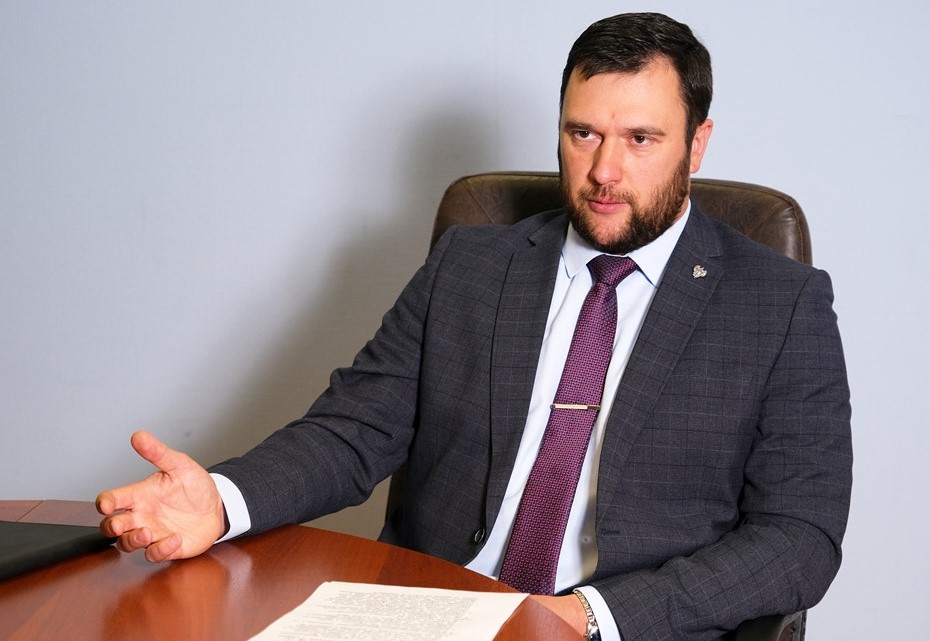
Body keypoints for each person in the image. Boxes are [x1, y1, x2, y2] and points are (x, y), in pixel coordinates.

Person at [97, 12, 852, 641]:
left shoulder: (780, 305)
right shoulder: (470, 264)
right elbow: (352, 431)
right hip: (433, 611)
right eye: (583, 134)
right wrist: (223, 500)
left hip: (615, 624)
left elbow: (800, 538)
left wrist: (588, 616)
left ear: (698, 142)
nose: (604, 171)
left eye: (641, 139)